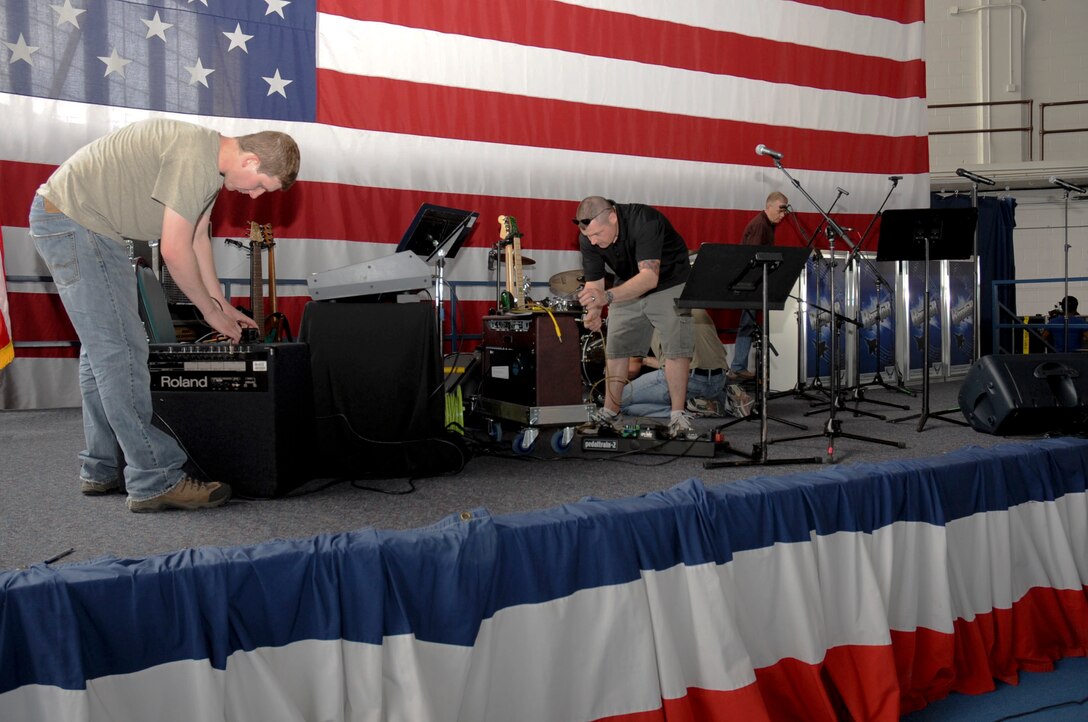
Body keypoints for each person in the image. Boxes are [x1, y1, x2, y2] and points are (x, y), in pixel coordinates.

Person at [29, 118, 300, 512]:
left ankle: (102, 467)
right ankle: (154, 478)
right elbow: (173, 251)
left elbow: (197, 238)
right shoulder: (196, 159)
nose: (255, 197)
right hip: (77, 224)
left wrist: (220, 304)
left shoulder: (209, 161)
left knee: (102, 350)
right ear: (251, 159)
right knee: (121, 350)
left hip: (76, 222)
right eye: (261, 185)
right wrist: (207, 311)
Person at [575, 197, 695, 438]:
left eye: (598, 234)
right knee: (616, 347)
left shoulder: (645, 221)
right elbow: (594, 284)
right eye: (589, 237)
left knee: (675, 347)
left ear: (612, 217)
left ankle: (678, 416)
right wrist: (594, 311)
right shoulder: (589, 236)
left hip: (669, 281)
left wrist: (606, 298)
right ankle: (610, 412)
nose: (593, 241)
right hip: (628, 281)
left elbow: (649, 278)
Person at [621, 309, 754, 419]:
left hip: (688, 381)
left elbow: (632, 369)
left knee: (619, 402)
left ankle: (686, 408)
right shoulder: (698, 309)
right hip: (718, 379)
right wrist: (646, 360)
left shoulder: (647, 313)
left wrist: (612, 369)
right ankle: (718, 401)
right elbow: (680, 364)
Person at [729, 191, 789, 382]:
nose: (783, 215)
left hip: (753, 283)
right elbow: (753, 257)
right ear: (769, 206)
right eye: (780, 210)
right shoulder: (760, 225)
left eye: (785, 211)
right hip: (751, 284)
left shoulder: (766, 224)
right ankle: (738, 366)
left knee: (749, 324)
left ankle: (739, 366)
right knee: (747, 324)